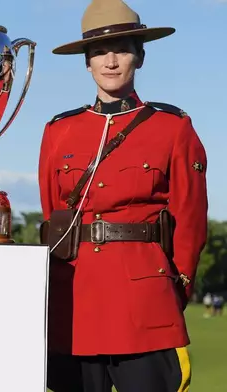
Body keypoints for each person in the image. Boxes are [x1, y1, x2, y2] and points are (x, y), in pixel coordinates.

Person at [38, 0, 208, 391]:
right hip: (75, 303)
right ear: (87, 62)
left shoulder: (173, 127)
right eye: (99, 52)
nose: (110, 61)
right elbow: (54, 217)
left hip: (145, 300)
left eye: (121, 49)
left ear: (140, 57)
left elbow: (191, 219)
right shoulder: (58, 131)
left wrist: (172, 288)